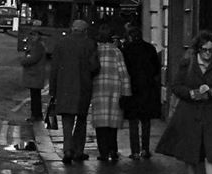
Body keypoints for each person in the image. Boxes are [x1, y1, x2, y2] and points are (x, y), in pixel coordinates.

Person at [156, 30, 212, 174]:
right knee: (191, 153)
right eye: (204, 50)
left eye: (211, 50)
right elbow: (176, 86)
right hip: (190, 112)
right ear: (198, 49)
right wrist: (190, 93)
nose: (208, 54)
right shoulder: (187, 64)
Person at [49, 19, 100, 164]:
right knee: (82, 120)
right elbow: (94, 66)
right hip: (83, 87)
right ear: (84, 31)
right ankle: (78, 150)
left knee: (67, 119)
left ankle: (67, 149)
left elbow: (54, 69)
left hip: (64, 87)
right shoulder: (90, 44)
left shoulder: (61, 43)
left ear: (72, 29)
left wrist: (53, 90)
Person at [90, 24, 132, 161]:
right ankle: (113, 150)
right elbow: (123, 73)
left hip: (98, 90)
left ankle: (103, 152)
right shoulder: (117, 52)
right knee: (112, 125)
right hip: (115, 90)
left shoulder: (94, 51)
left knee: (101, 125)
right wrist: (126, 93)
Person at [121, 26, 161, 159]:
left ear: (130, 36)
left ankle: (135, 151)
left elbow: (124, 69)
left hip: (132, 89)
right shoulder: (150, 48)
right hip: (147, 89)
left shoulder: (126, 50)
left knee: (133, 121)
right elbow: (156, 69)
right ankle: (145, 149)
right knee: (146, 121)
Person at [20, 30, 47, 121]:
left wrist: (23, 61)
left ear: (39, 36)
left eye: (35, 35)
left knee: (35, 96)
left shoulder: (38, 46)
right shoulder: (35, 45)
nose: (32, 37)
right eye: (31, 34)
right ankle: (36, 114)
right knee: (35, 95)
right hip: (34, 74)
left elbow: (33, 59)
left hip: (35, 74)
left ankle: (36, 115)